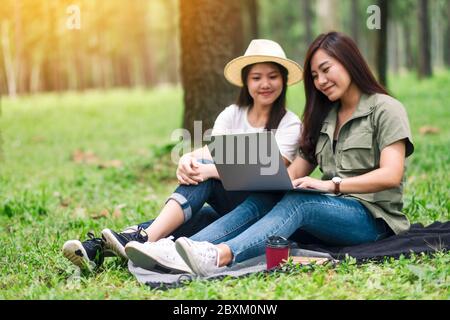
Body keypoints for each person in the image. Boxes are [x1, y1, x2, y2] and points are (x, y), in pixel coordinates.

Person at [129, 31, 414, 277]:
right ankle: (170, 247)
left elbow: (391, 174)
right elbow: (290, 175)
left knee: (301, 202)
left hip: (373, 219)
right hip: (331, 212)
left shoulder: (385, 109)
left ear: (350, 62)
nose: (321, 81)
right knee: (273, 196)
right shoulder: (324, 118)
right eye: (315, 75)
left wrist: (330, 185)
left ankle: (219, 255)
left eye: (327, 69)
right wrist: (202, 161)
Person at [62, 39, 304, 272]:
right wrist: (188, 158)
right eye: (257, 77)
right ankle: (107, 247)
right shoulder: (232, 115)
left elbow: (270, 168)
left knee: (205, 176)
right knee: (193, 213)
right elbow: (213, 151)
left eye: (273, 76)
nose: (265, 84)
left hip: (262, 206)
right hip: (227, 200)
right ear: (246, 81)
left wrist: (208, 168)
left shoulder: (289, 123)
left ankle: (144, 238)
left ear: (283, 80)